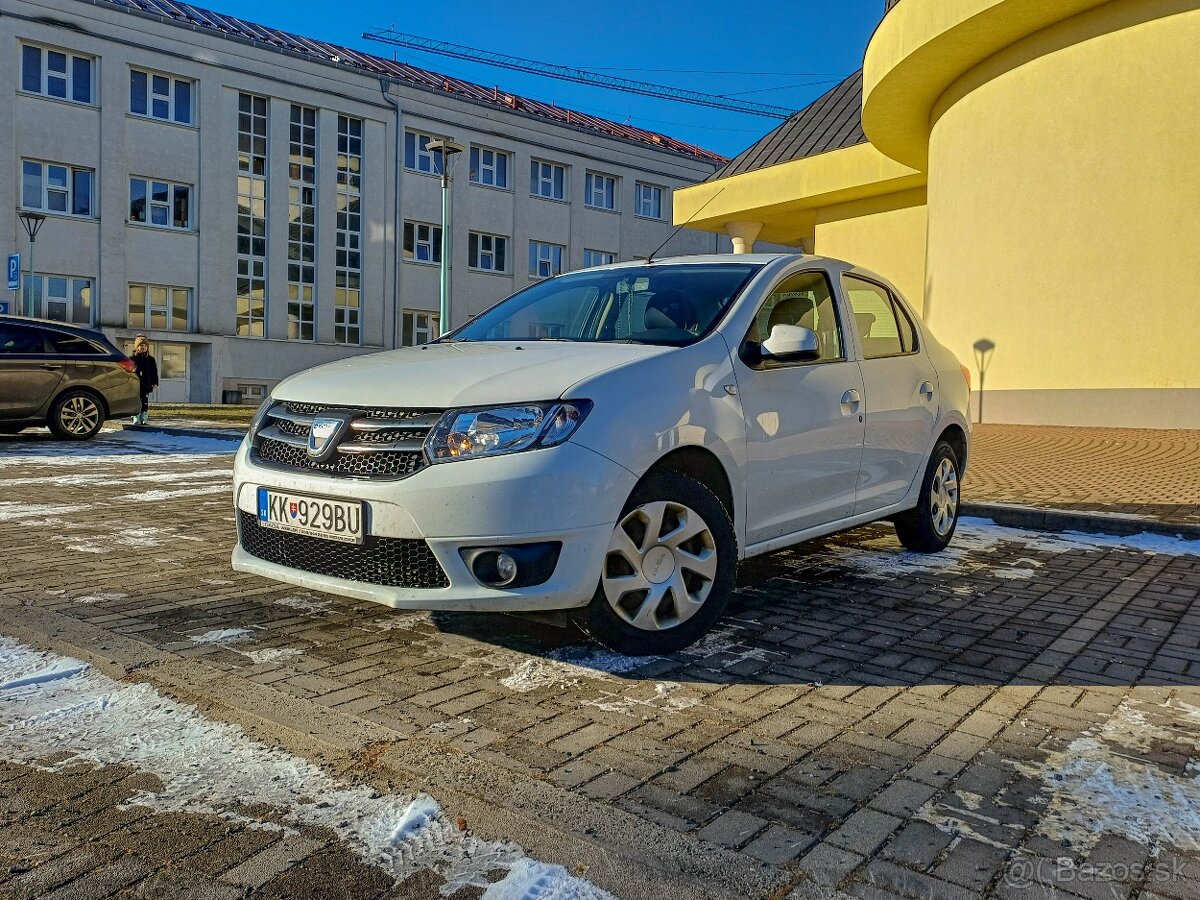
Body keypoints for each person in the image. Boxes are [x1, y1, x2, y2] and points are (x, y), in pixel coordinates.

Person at [130, 335, 158, 425]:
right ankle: (136, 416)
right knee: (136, 400)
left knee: (144, 400)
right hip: (135, 383)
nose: (143, 347)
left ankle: (144, 416)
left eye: (145, 346)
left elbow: (154, 371)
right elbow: (129, 371)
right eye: (141, 346)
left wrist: (155, 382)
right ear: (137, 347)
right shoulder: (133, 359)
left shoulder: (150, 359)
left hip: (146, 383)